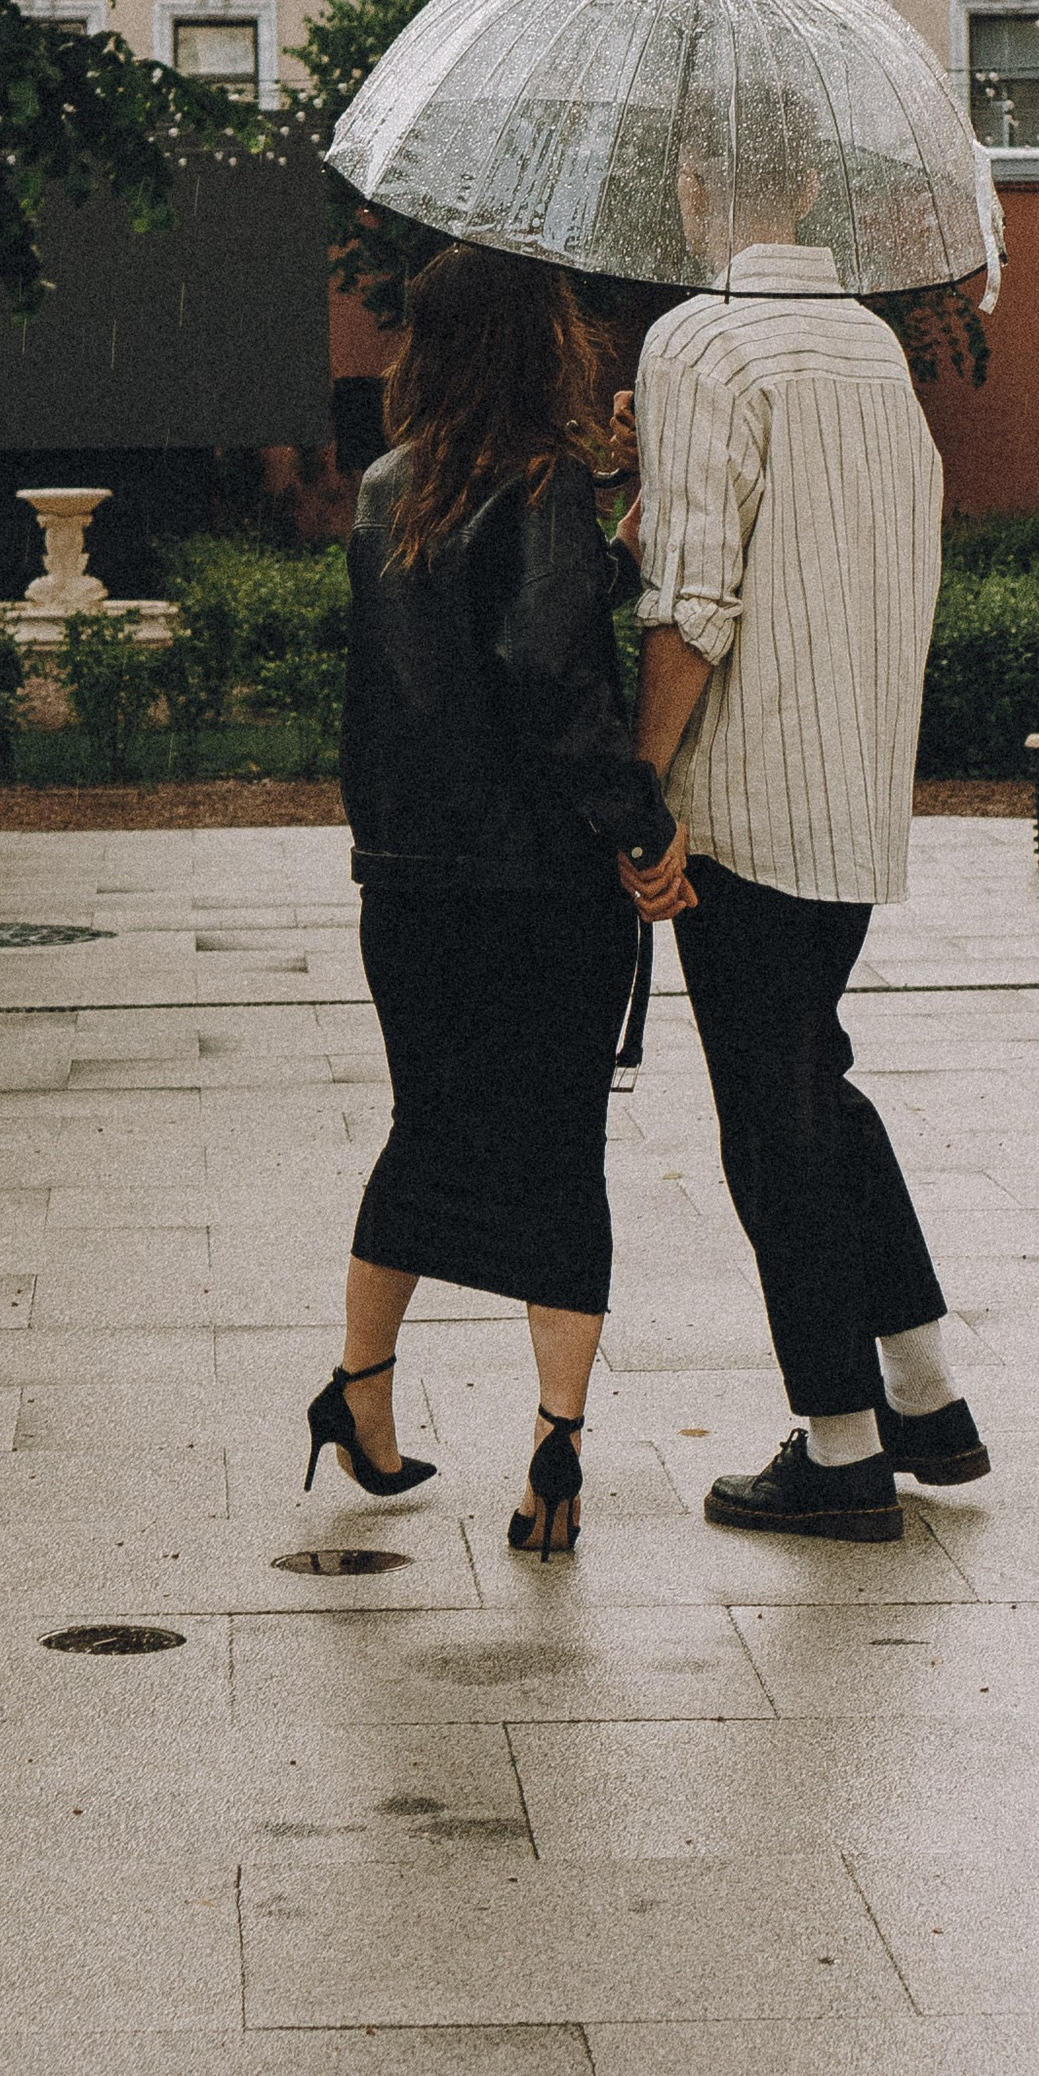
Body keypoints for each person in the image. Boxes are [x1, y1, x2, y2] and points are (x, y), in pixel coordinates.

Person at [617, 157, 988, 1543]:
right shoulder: (871, 347)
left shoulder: (699, 341)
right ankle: (926, 1394)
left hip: (747, 802)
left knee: (771, 1125)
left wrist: (639, 786)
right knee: (815, 1082)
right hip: (852, 797)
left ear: (699, 173)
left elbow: (695, 602)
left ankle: (840, 1449)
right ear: (815, 180)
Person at [316, 243, 681, 1555]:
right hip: (538, 890)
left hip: (409, 886)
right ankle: (556, 1442)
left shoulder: (385, 489)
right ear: (540, 349)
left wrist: (611, 513)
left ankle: (358, 1393)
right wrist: (640, 833)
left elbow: (412, 683)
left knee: (427, 1130)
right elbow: (555, 682)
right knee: (555, 1151)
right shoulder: (537, 493)